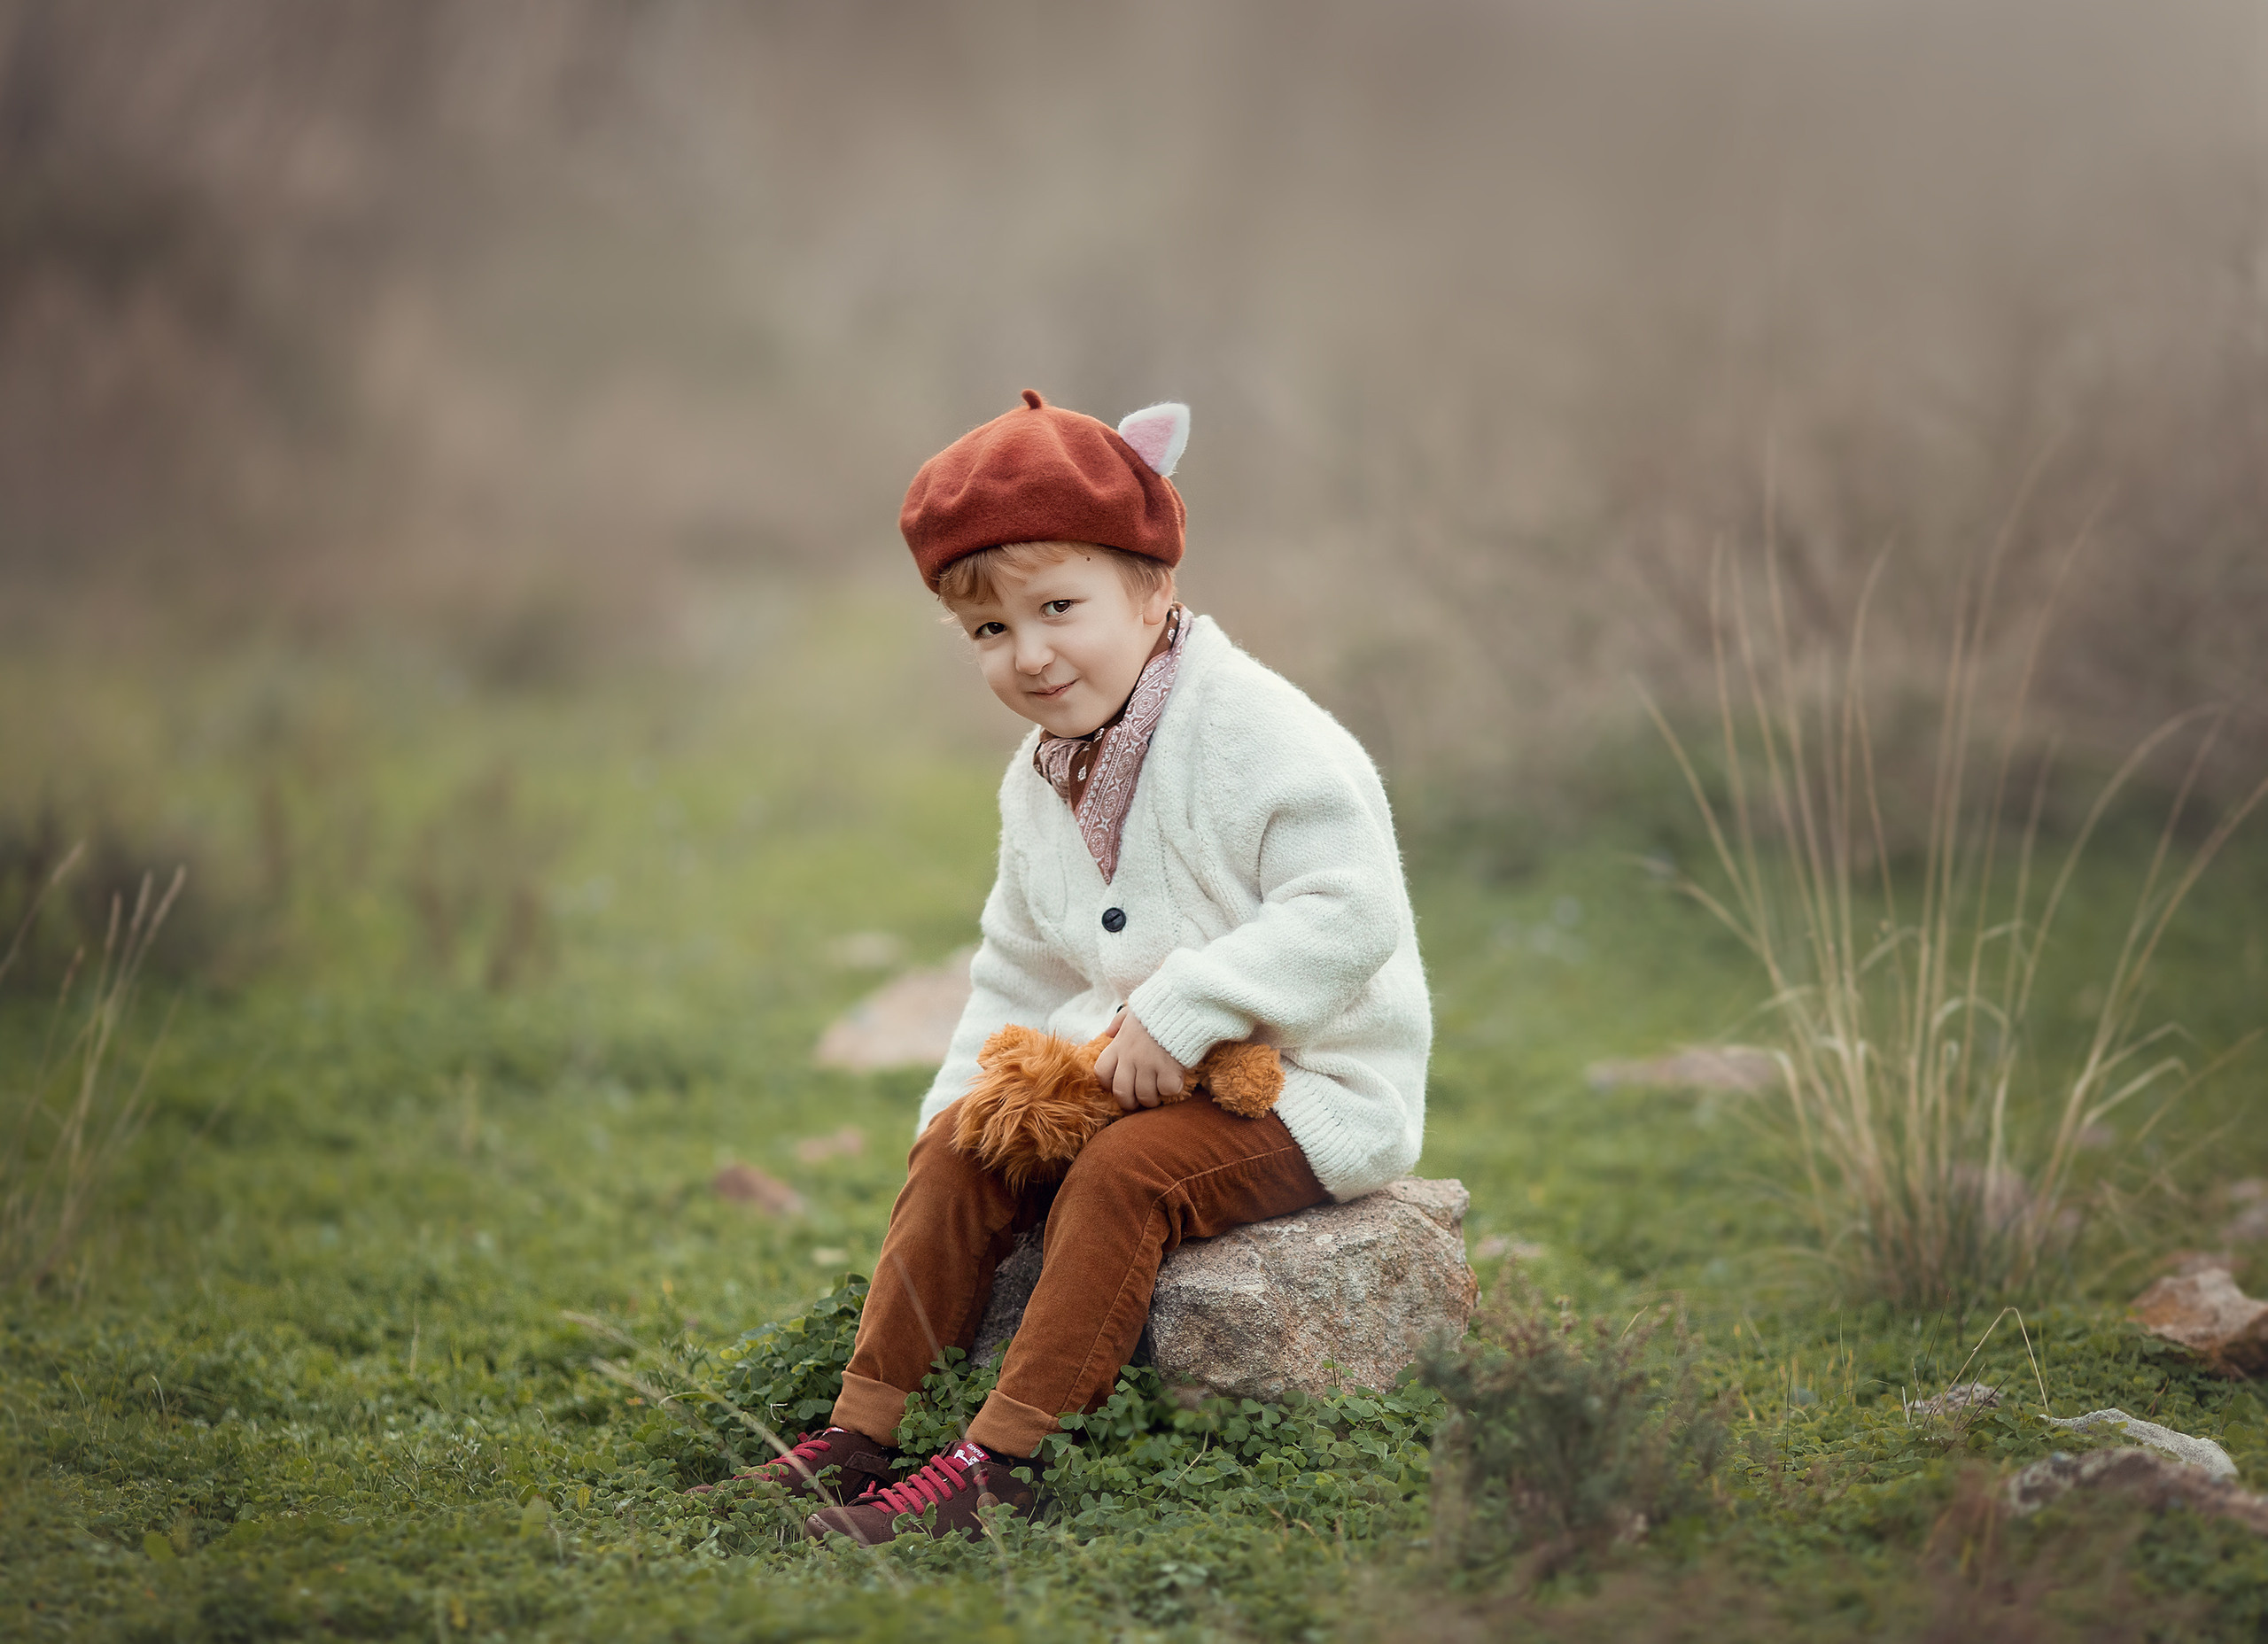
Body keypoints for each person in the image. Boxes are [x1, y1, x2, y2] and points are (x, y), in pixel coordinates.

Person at [710, 389, 1431, 1544]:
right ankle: (859, 1432)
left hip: (1303, 1084)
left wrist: (1186, 1007)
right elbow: (1016, 970)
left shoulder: (1262, 734)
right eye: (992, 632)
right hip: (1119, 1066)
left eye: (1059, 609)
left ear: (1154, 587)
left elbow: (1350, 916)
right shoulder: (1044, 774)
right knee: (967, 1143)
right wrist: (955, 1116)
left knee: (1127, 1175)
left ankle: (1003, 1464)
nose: (1031, 656)